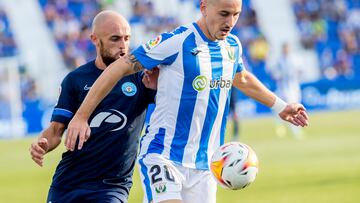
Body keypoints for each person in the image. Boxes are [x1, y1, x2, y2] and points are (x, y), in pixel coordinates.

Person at [66, 1, 309, 203]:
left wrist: (280, 106)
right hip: (164, 156)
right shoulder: (177, 42)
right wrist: (81, 116)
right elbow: (119, 68)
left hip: (206, 166)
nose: (230, 22)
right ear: (204, 7)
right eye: (224, 13)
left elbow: (241, 78)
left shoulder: (232, 46)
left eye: (236, 14)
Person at [29, 10, 157, 203]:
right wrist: (42, 145)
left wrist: (157, 87)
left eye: (127, 38)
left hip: (112, 186)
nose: (123, 46)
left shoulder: (141, 78)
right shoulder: (76, 79)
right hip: (68, 184)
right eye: (115, 39)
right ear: (95, 39)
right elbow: (56, 130)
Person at [270, 42, 303, 138]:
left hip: (294, 88)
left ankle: (296, 130)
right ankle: (280, 128)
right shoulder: (279, 61)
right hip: (282, 89)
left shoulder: (295, 59)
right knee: (279, 108)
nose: (286, 50)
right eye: (284, 48)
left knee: (295, 109)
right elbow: (274, 74)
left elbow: (301, 71)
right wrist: (278, 76)